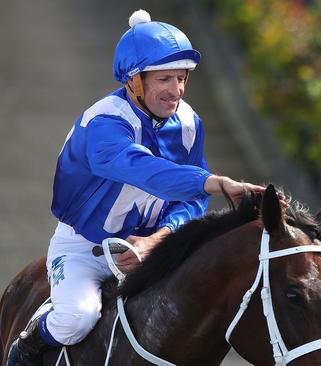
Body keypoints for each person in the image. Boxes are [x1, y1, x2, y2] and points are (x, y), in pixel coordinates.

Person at [6, 9, 266, 365]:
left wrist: (160, 237)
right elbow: (145, 170)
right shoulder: (104, 122)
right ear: (133, 80)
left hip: (151, 250)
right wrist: (212, 182)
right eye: (164, 79)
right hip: (85, 247)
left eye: (181, 78)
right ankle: (24, 347)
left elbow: (188, 204)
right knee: (76, 319)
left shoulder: (189, 123)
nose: (176, 91)